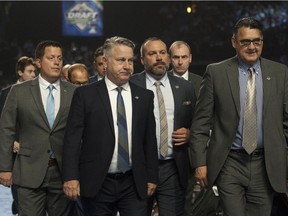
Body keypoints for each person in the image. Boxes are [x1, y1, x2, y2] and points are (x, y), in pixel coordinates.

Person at [190, 17, 288, 216]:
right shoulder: (216, 73)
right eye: (245, 41)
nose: (251, 47)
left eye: (256, 41)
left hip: (266, 165)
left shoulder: (280, 73)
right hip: (229, 163)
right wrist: (199, 163)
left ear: (262, 42)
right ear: (234, 42)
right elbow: (201, 122)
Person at [62, 36, 158, 216]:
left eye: (130, 60)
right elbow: (72, 140)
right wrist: (71, 177)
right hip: (97, 182)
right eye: (121, 60)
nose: (127, 65)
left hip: (134, 182)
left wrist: (152, 177)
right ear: (105, 62)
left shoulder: (145, 97)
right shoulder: (85, 95)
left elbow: (149, 141)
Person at [0, 40, 77, 216]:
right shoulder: (18, 91)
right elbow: (6, 130)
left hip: (63, 173)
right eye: (51, 58)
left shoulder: (74, 92)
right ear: (38, 62)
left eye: (59, 58)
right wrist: (4, 167)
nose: (57, 62)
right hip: (29, 171)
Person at [130, 37, 196, 216]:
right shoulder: (130, 85)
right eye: (152, 53)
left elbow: (197, 122)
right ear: (143, 60)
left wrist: (190, 133)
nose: (159, 57)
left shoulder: (185, 87)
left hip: (173, 167)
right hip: (138, 168)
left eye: (162, 53)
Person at [0, 56, 37, 215]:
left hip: (34, 147)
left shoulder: (38, 92)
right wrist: (12, 142)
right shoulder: (6, 93)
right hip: (14, 149)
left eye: (34, 71)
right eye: (29, 71)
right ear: (20, 72)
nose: (33, 74)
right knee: (18, 187)